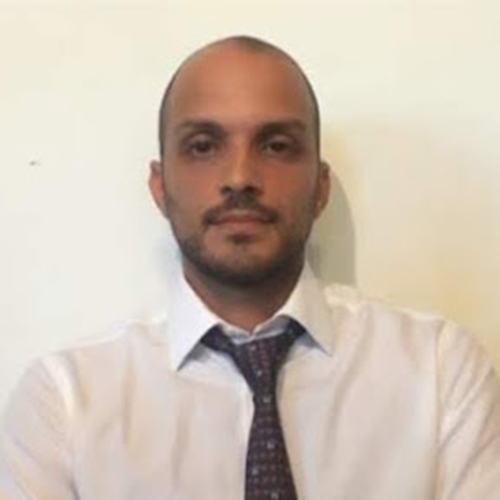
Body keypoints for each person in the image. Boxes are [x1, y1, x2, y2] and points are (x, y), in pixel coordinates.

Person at [1, 35, 499, 500]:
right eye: (203, 146)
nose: (240, 177)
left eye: (276, 145)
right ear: (159, 186)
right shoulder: (64, 400)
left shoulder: (439, 371)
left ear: (320, 186)